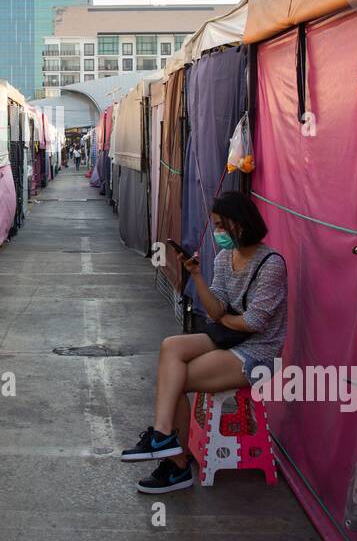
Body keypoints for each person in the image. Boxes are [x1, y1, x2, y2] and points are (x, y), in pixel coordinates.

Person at [121, 192, 287, 493]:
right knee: (171, 347)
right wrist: (196, 275)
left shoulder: (271, 264)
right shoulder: (225, 257)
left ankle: (177, 466)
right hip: (228, 338)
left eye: (223, 225)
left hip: (258, 352)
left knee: (177, 379)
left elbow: (254, 323)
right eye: (216, 226)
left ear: (242, 223)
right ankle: (162, 434)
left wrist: (224, 319)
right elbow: (216, 309)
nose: (218, 232)